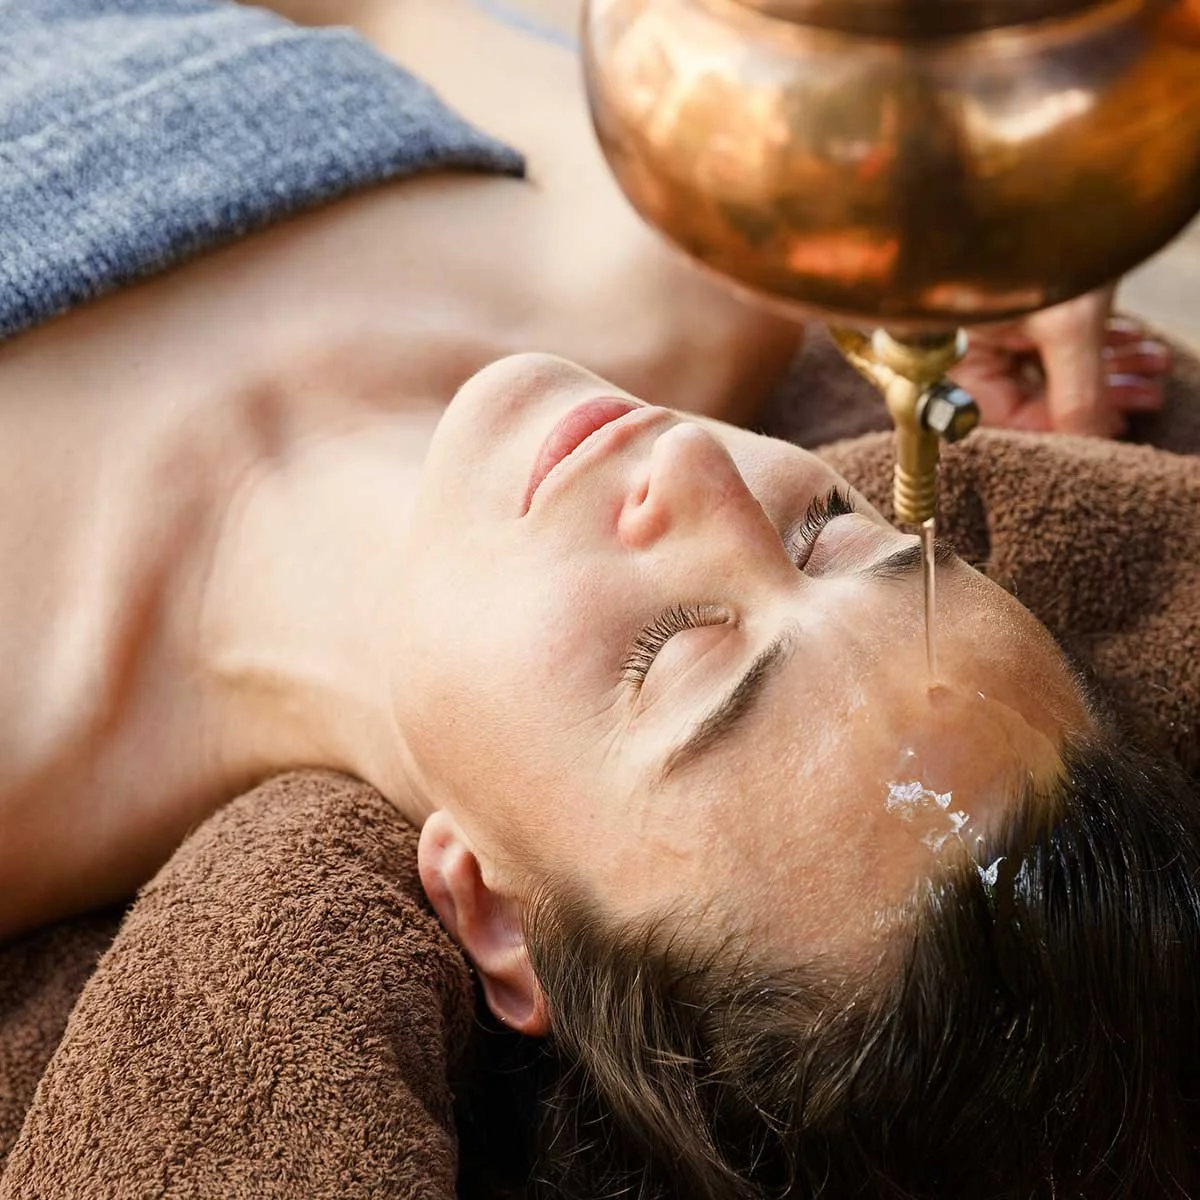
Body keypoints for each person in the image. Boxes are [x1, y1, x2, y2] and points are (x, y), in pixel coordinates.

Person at [1, 1, 1196, 1197]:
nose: (697, 468)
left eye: (677, 648)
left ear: (498, 914)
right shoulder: (693, 263)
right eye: (828, 530)